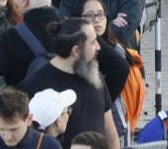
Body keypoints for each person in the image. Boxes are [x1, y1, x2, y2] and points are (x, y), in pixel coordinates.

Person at [17, 18, 121, 146]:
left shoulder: (94, 76)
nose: (99, 47)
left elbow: (110, 130)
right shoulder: (33, 86)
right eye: (93, 42)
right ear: (76, 51)